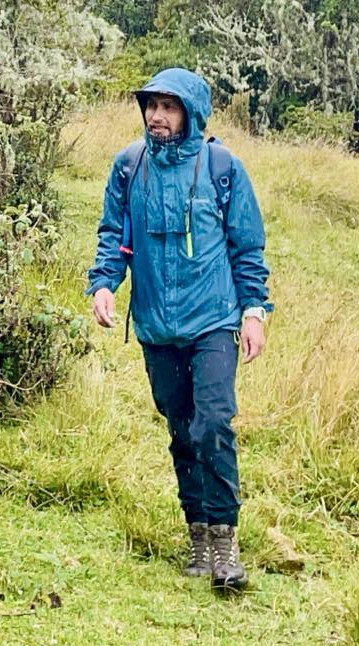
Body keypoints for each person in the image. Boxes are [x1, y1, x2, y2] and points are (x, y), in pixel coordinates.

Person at [87, 67, 270, 591]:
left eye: (169, 107)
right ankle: (197, 536)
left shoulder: (222, 168)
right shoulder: (129, 168)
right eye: (151, 106)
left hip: (213, 320)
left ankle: (226, 542)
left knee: (214, 424)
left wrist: (254, 311)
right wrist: (105, 283)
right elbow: (114, 237)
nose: (157, 117)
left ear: (191, 112)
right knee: (181, 430)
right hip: (156, 325)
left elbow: (246, 247)